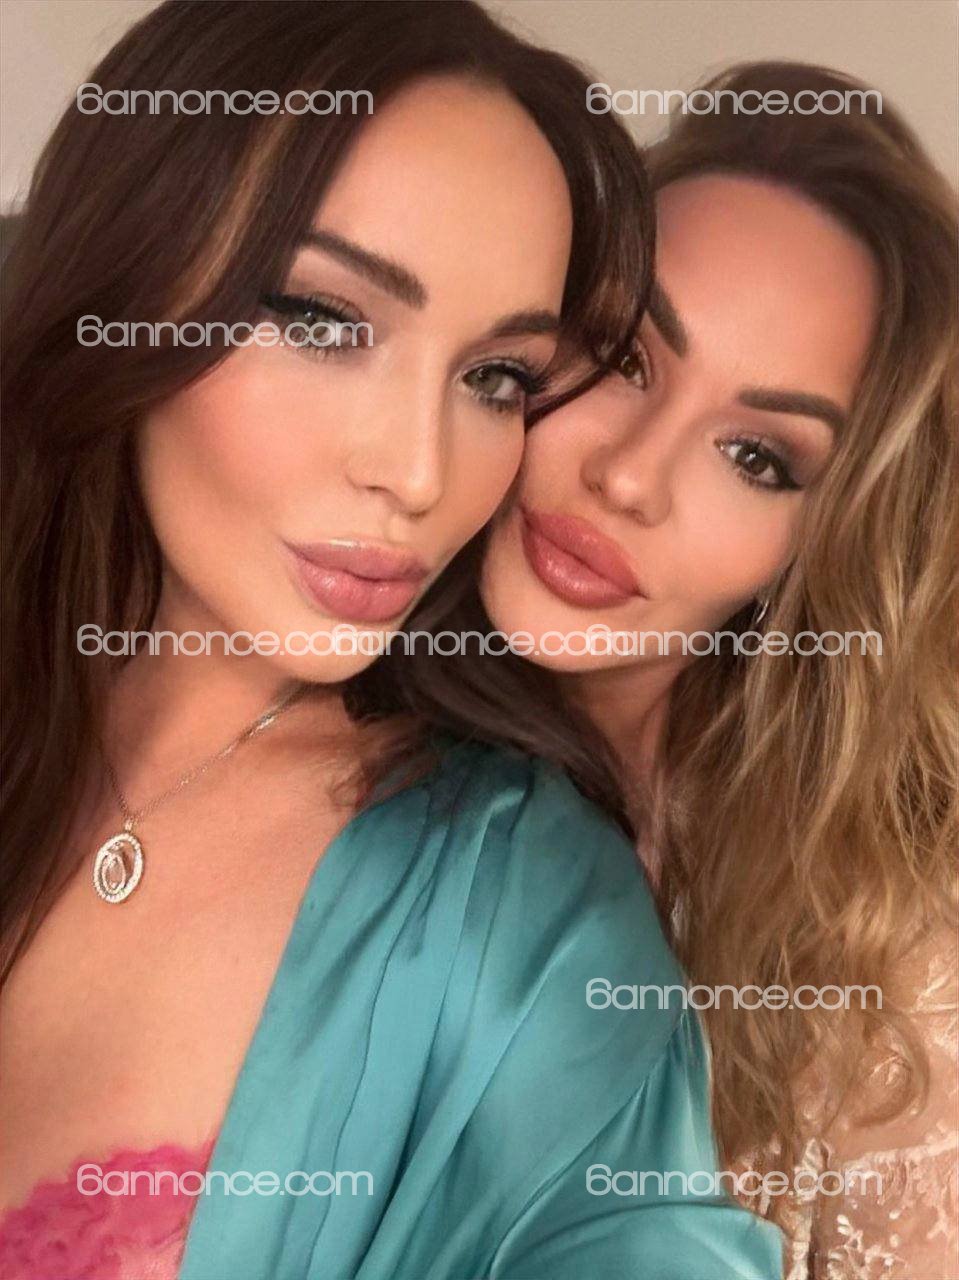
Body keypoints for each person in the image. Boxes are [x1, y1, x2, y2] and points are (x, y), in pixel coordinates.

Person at [0, 4, 782, 1278]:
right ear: (132, 279)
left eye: (494, 377)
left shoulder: (523, 918)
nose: (419, 473)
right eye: (324, 320)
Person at [479, 60, 958, 1280]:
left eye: (755, 456)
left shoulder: (881, 945)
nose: (628, 475)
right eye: (623, 357)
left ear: (823, 539)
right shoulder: (290, 723)